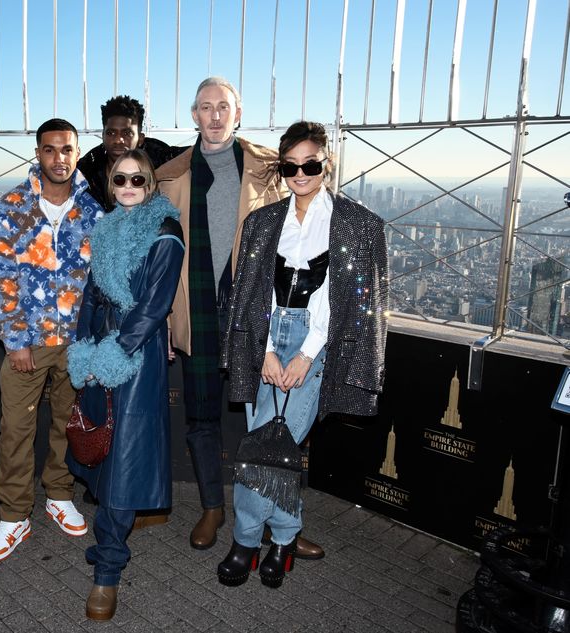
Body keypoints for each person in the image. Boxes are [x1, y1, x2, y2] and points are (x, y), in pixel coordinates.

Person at [156, 77, 326, 555]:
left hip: (259, 317)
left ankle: (278, 523)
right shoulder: (170, 177)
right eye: (205, 107)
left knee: (278, 425)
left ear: (238, 114)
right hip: (198, 312)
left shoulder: (269, 168)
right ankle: (213, 508)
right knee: (203, 419)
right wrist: (168, 318)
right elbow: (161, 257)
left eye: (222, 107)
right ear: (194, 115)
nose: (214, 116)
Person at [219, 120, 388, 588]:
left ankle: (261, 540)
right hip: (265, 342)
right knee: (262, 447)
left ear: (326, 164)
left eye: (310, 164)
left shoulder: (357, 224)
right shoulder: (263, 222)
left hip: (318, 346)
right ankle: (268, 539)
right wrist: (269, 350)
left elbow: (352, 302)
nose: (300, 174)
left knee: (278, 448)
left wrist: (306, 355)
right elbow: (250, 295)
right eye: (291, 165)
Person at [67, 149, 184, 620]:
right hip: (100, 347)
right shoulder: (108, 227)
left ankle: (108, 571)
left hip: (137, 353)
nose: (130, 184)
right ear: (111, 185)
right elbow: (92, 296)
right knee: (102, 446)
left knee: (125, 459)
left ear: (151, 182)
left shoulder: (165, 231)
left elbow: (153, 308)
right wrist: (85, 351)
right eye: (121, 178)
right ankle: (111, 538)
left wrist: (115, 354)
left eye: (139, 177)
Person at [0, 118, 102, 563]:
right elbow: (0, 277)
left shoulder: (94, 211)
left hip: (75, 341)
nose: (59, 158)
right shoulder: (11, 206)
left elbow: (101, 281)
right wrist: (14, 340)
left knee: (65, 426)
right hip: (27, 343)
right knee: (15, 429)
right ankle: (14, 515)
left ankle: (58, 493)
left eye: (67, 149)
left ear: (76, 152)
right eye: (50, 150)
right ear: (38, 153)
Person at [77, 95, 186, 211]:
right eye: (111, 133)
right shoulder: (89, 168)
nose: (118, 140)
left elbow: (197, 150)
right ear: (103, 136)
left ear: (140, 139)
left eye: (127, 133)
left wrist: (153, 177)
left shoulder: (155, 154)